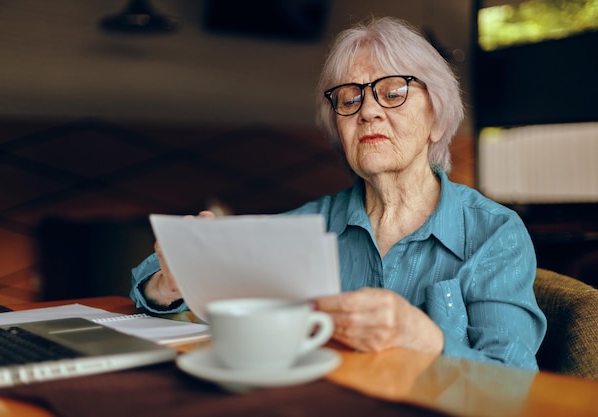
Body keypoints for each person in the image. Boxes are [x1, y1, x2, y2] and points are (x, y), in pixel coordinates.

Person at [130, 16, 546, 370]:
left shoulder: (494, 234)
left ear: (437, 120)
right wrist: (170, 281)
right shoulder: (313, 226)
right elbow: (148, 279)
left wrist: (427, 341)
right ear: (340, 132)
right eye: (349, 97)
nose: (367, 110)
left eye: (394, 92)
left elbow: (513, 385)